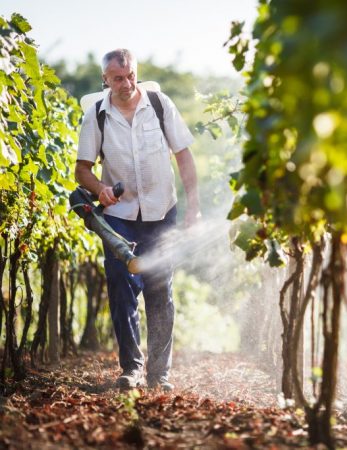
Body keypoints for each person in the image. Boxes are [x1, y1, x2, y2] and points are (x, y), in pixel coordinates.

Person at [75, 49, 200, 392]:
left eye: (131, 75)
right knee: (121, 288)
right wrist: (100, 188)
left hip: (162, 213)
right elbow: (81, 169)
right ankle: (131, 369)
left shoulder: (160, 104)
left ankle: (159, 375)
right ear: (105, 80)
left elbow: (184, 156)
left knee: (161, 291)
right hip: (120, 218)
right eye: (118, 78)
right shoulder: (96, 116)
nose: (127, 83)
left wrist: (194, 206)